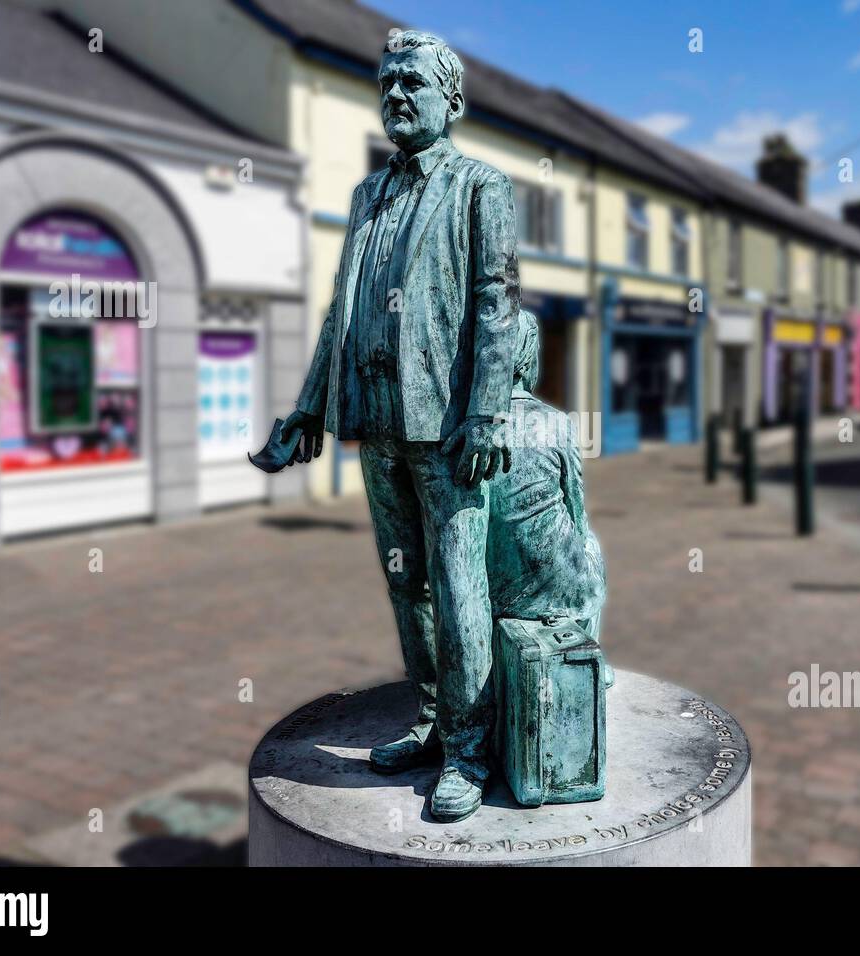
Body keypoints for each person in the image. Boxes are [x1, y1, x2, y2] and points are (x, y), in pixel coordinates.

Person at [272, 30, 519, 823]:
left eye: (413, 82)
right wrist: (308, 407)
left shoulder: (481, 185)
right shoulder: (366, 196)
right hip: (377, 420)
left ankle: (471, 749)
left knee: (458, 586)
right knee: (406, 583)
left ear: (452, 99)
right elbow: (339, 308)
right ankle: (430, 719)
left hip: (449, 429)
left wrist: (486, 412)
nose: (397, 96)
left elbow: (497, 305)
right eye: (387, 84)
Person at [487, 311, 610, 686]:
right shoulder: (558, 422)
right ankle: (592, 665)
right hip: (558, 584)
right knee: (591, 545)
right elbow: (576, 511)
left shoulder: (470, 429)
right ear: (528, 357)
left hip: (492, 584)